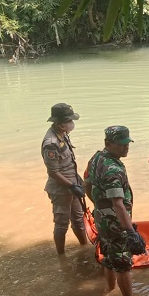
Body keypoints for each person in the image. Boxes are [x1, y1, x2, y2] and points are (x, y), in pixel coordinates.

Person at [84, 126, 145, 296]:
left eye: (127, 143)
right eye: (121, 144)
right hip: (116, 224)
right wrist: (131, 233)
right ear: (108, 144)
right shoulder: (113, 170)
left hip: (101, 219)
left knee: (108, 256)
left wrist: (99, 206)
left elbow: (86, 183)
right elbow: (118, 205)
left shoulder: (96, 158)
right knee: (123, 264)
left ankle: (110, 290)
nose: (126, 148)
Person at [41, 102, 88, 255]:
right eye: (70, 121)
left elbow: (68, 163)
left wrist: (77, 181)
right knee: (61, 224)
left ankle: (84, 248)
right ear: (61, 124)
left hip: (72, 184)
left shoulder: (62, 135)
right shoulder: (51, 144)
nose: (72, 124)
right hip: (61, 190)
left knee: (79, 219)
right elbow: (53, 171)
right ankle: (61, 257)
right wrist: (71, 186)